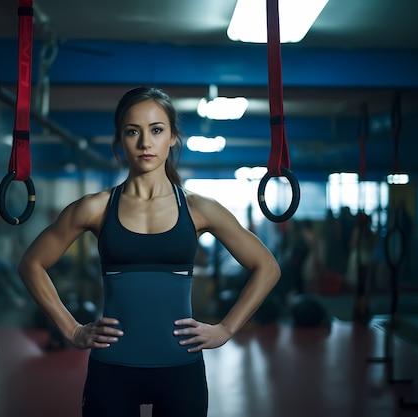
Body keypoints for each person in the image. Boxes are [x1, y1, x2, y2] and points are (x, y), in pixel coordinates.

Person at [18, 86, 281, 417]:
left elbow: (267, 266)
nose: (145, 143)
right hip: (112, 369)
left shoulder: (200, 209)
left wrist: (226, 329)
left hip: (180, 369)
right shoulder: (95, 208)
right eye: (133, 132)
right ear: (120, 139)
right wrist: (71, 329)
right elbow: (32, 263)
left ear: (172, 137)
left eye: (156, 130)